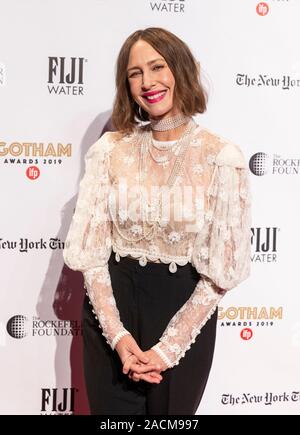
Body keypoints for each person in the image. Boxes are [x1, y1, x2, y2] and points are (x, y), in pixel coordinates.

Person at [63, 27, 251, 415]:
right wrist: (116, 335)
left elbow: (221, 274)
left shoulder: (221, 157)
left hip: (183, 319)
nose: (147, 82)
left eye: (157, 66)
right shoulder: (110, 151)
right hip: (110, 315)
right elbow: (93, 255)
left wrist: (170, 347)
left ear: (180, 70)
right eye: (135, 73)